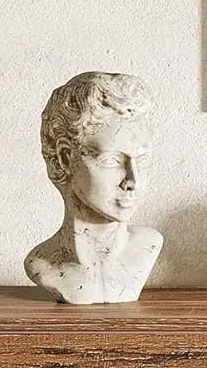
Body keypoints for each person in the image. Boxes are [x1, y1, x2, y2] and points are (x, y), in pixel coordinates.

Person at [25, 72, 163, 304]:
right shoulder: (43, 262)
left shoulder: (148, 245)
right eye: (112, 161)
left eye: (142, 161)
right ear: (65, 158)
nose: (132, 181)